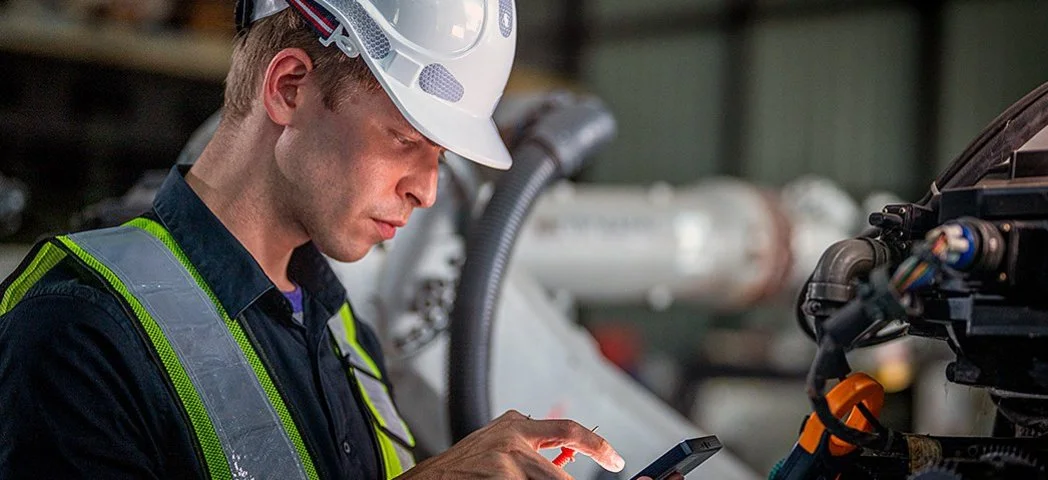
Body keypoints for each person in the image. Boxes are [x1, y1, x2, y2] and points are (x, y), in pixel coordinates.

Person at [0, 0, 671, 478]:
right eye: (406, 142)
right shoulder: (77, 325)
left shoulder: (336, 326)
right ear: (290, 88)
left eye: (441, 157)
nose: (427, 190)